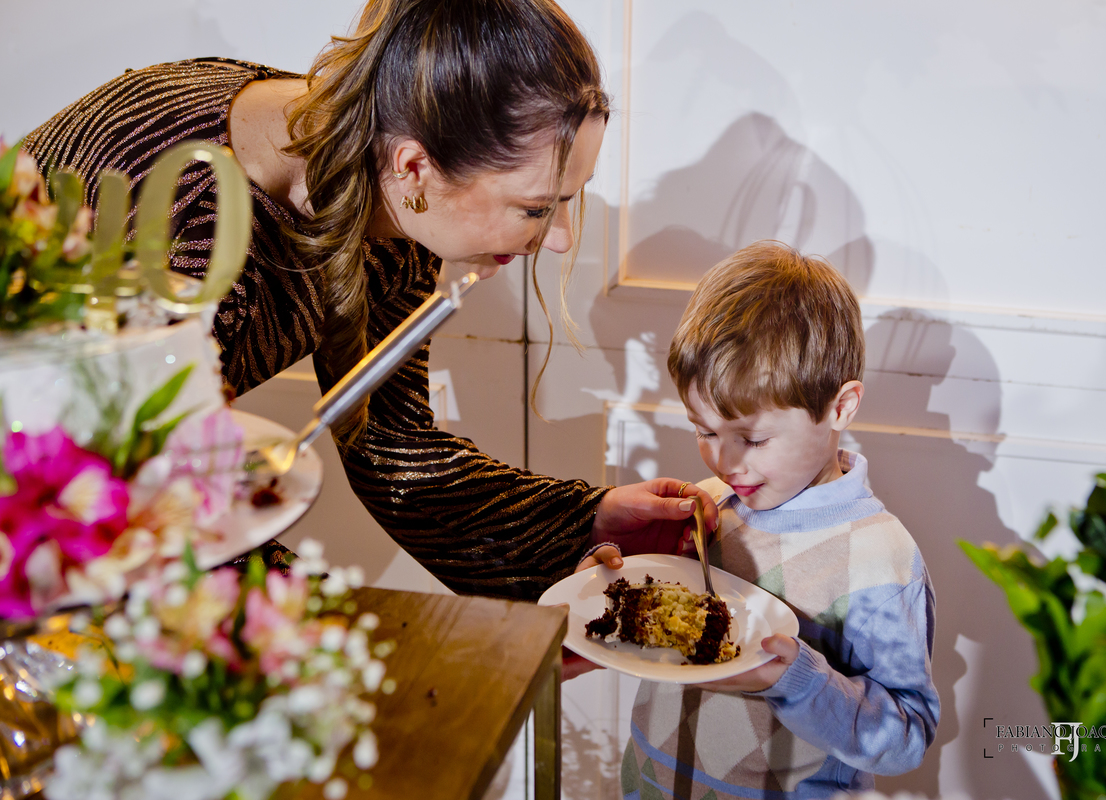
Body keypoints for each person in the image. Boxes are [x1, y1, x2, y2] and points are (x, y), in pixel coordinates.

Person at [21, 0, 715, 597]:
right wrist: (336, 640)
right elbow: (139, 510)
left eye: (569, 200)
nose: (559, 239)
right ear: (416, 166)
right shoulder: (193, 236)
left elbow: (388, 439)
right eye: (536, 207)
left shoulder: (391, 196)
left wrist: (583, 521)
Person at [621, 241, 939, 799]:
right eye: (704, 431)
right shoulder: (709, 506)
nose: (726, 462)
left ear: (840, 407)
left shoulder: (880, 561)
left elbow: (906, 736)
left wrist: (798, 681)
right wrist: (620, 573)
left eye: (753, 438)